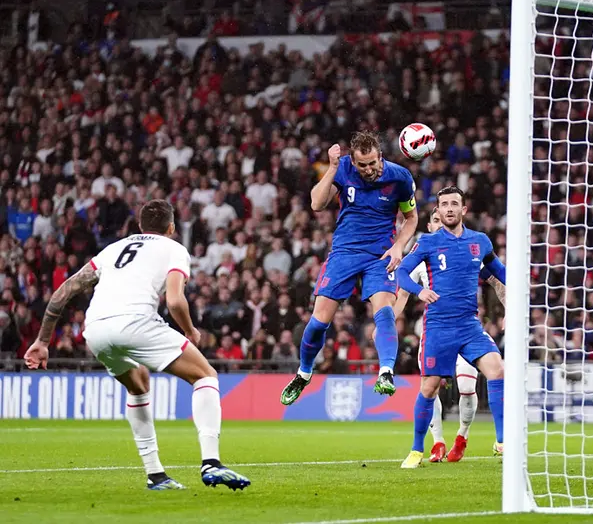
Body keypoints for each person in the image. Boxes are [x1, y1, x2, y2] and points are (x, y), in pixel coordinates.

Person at [23, 200, 251, 492]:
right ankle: (211, 463)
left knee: (138, 383)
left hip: (96, 330)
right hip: (136, 322)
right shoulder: (173, 249)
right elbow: (175, 300)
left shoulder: (113, 249)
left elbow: (64, 290)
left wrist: (43, 341)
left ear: (141, 226)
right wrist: (191, 331)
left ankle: (155, 475)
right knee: (205, 376)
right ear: (171, 228)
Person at [280, 131, 418, 404]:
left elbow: (412, 218)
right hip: (344, 253)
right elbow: (317, 204)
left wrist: (398, 246)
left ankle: (387, 372)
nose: (369, 170)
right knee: (319, 322)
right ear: (352, 162)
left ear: (381, 156)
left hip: (381, 255)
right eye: (362, 165)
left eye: (373, 163)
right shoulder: (342, 169)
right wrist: (332, 167)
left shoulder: (400, 177)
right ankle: (304, 373)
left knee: (385, 312)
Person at [394, 186, 506, 469]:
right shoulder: (428, 242)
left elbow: (498, 271)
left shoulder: (480, 241)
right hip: (439, 327)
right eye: (444, 204)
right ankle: (417, 449)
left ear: (463, 209)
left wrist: (519, 284)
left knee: (497, 370)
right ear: (439, 211)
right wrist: (419, 293)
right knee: (430, 388)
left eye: (454, 204)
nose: (449, 209)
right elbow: (401, 272)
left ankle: (503, 441)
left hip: (469, 326)